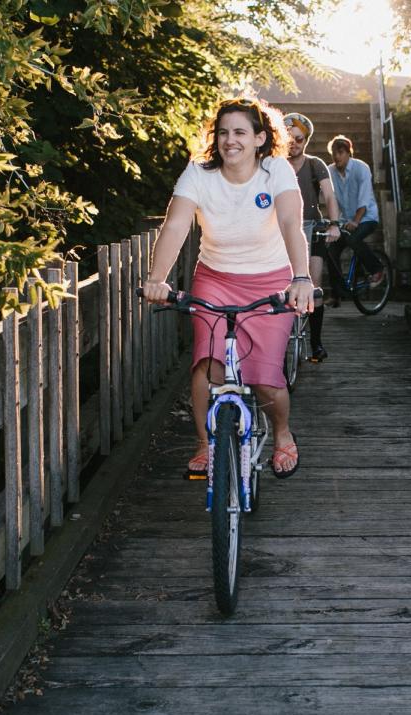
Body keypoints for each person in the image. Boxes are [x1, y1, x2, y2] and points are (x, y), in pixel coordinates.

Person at [142, 98, 313, 479]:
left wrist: (300, 277)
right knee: (207, 365)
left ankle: (283, 433)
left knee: (266, 378)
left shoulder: (276, 171)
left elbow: (289, 222)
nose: (229, 140)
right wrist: (157, 278)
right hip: (216, 279)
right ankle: (205, 442)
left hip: (270, 280)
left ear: (259, 138)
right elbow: (175, 226)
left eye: (239, 132)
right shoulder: (198, 174)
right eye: (222, 132)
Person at [283, 112, 340, 362]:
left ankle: (315, 343)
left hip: (312, 227)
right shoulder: (274, 164)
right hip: (282, 228)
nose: (294, 143)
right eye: (289, 138)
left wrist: (335, 224)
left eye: (299, 139)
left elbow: (329, 195)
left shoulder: (315, 164)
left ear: (306, 141)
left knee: (314, 284)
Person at [327, 135, 384, 289]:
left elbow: (364, 199)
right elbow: (328, 196)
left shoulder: (361, 168)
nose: (337, 156)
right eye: (334, 153)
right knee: (331, 248)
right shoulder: (330, 171)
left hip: (367, 218)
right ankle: (337, 293)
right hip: (346, 220)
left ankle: (377, 269)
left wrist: (356, 221)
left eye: (340, 152)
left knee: (353, 239)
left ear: (348, 153)